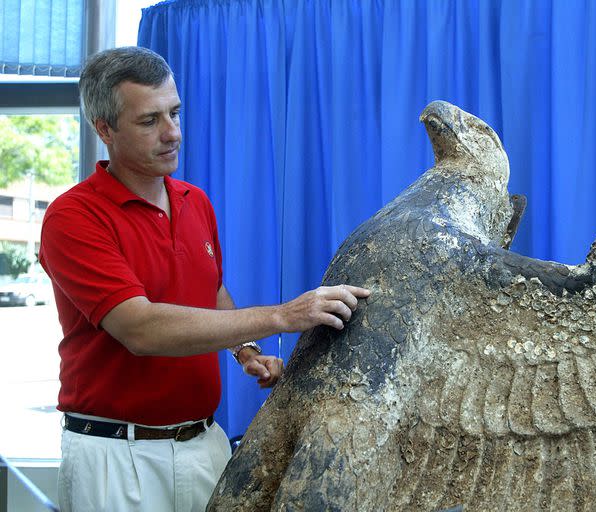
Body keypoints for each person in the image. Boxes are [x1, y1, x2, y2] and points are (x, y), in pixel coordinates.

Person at [39, 46, 370, 512]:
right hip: (115, 458)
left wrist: (245, 351)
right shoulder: (73, 217)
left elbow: (211, 291)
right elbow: (140, 329)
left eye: (174, 113)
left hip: (205, 445)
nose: (172, 132)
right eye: (149, 120)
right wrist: (281, 316)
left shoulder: (195, 201)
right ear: (104, 129)